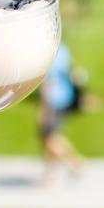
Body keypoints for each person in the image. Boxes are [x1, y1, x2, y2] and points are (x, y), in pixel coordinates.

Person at [39, 42, 84, 183]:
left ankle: (75, 161)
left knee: (50, 138)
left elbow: (50, 82)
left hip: (53, 100)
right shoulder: (63, 49)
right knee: (51, 137)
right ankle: (50, 174)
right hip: (64, 97)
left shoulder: (50, 53)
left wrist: (44, 106)